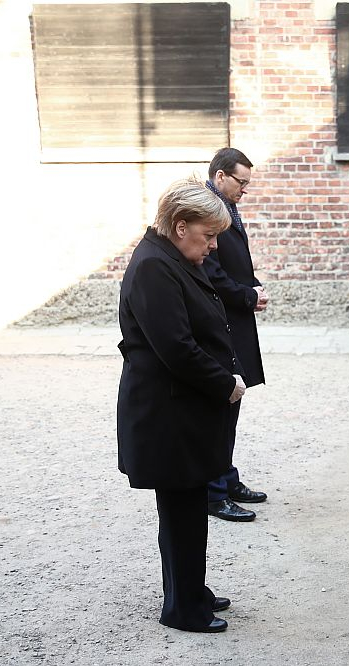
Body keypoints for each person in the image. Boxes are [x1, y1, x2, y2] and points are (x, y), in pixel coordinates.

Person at [117, 177, 246, 633]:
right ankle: (183, 610)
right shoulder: (155, 266)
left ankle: (192, 591)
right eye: (208, 236)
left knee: (188, 510)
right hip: (167, 414)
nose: (213, 246)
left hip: (179, 410)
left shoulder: (169, 256)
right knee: (181, 514)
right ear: (179, 225)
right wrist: (224, 384)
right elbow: (175, 346)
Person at [202, 147, 270, 522]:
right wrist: (246, 295)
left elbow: (232, 262)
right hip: (220, 320)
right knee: (221, 406)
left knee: (233, 403)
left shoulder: (226, 206)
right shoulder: (207, 210)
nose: (245, 190)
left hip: (234, 317)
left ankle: (226, 479)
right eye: (241, 182)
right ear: (221, 175)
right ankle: (214, 493)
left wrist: (253, 287)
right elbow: (211, 270)